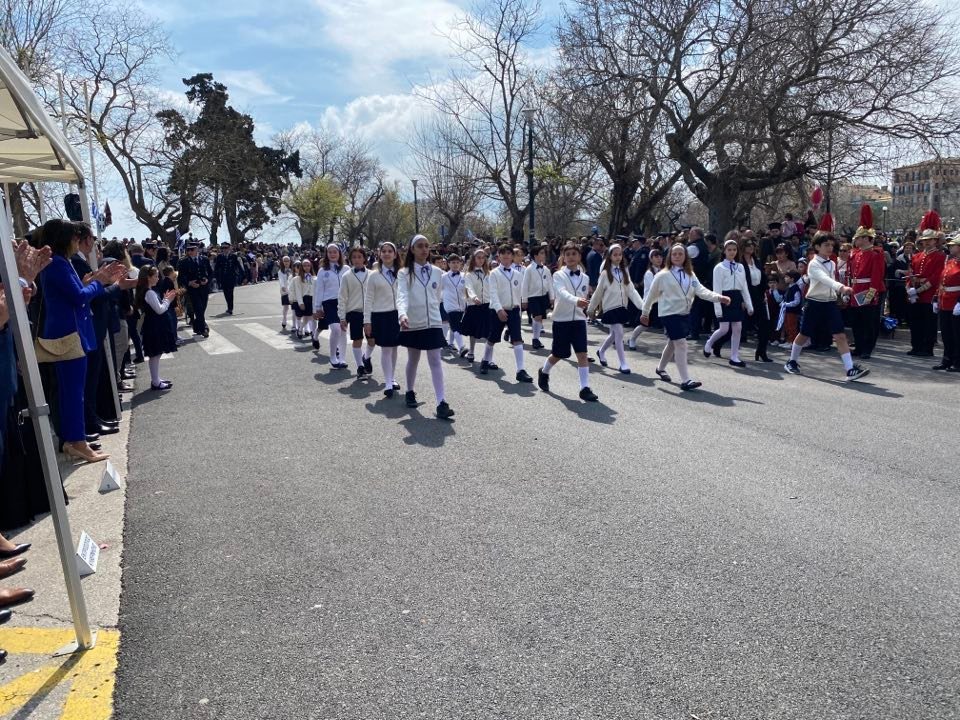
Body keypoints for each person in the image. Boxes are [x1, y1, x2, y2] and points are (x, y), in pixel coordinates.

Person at [40, 219, 126, 462]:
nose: (78, 243)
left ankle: (73, 440)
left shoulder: (60, 262)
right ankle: (77, 441)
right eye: (76, 238)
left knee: (71, 391)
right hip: (69, 334)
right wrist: (98, 284)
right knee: (73, 392)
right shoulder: (57, 264)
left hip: (70, 331)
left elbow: (75, 292)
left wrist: (92, 281)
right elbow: (78, 297)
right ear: (65, 240)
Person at [640, 243, 731, 391]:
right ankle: (685, 380)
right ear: (669, 256)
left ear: (685, 257)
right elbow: (650, 296)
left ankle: (660, 368)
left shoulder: (690, 274)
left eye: (680, 254)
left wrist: (719, 297)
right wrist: (645, 312)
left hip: (684, 313)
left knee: (672, 343)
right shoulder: (662, 275)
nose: (677, 256)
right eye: (674, 254)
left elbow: (701, 291)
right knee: (681, 344)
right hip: (669, 314)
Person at [784, 233, 870, 382]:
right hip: (814, 302)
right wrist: (842, 287)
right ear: (817, 247)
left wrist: (841, 295)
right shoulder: (813, 264)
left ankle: (850, 369)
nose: (830, 248)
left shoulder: (832, 263)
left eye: (831, 245)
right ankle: (791, 361)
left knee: (840, 335)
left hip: (830, 303)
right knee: (804, 334)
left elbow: (832, 282)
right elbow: (825, 280)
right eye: (826, 245)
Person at [396, 235, 455, 420]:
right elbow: (402, 295)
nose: (424, 249)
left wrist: (433, 313)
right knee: (413, 359)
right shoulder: (404, 273)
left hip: (434, 322)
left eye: (426, 246)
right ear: (412, 250)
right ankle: (410, 391)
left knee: (435, 360)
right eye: (420, 246)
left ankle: (441, 402)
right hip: (413, 321)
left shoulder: (437, 272)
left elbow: (437, 296)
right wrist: (403, 314)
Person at [537, 242, 597, 402]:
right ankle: (544, 372)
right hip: (561, 320)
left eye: (574, 254)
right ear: (563, 257)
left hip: (578, 320)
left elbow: (585, 297)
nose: (571, 257)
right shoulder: (558, 275)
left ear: (579, 256)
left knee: (582, 354)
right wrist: (577, 300)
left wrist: (588, 306)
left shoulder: (585, 277)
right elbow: (562, 293)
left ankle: (584, 388)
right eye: (567, 254)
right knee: (558, 354)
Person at [587, 243, 643, 373]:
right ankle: (623, 363)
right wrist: (591, 309)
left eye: (620, 254)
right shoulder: (605, 273)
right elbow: (598, 292)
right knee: (619, 333)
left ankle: (601, 351)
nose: (618, 257)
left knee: (613, 334)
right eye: (615, 255)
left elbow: (631, 291)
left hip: (622, 306)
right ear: (610, 256)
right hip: (610, 307)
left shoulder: (624, 271)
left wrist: (642, 306)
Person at [484, 245, 532, 382]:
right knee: (492, 338)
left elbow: (520, 292)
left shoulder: (518, 274)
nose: (506, 256)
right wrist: (499, 309)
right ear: (498, 256)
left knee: (517, 338)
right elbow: (492, 293)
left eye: (509, 253)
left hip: (514, 309)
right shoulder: (493, 273)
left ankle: (520, 370)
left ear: (512, 256)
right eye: (503, 253)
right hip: (498, 310)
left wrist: (522, 303)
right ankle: (485, 360)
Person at [703, 239, 754, 367]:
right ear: (724, 251)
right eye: (729, 250)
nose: (732, 252)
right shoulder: (719, 268)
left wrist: (749, 304)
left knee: (738, 328)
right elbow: (716, 289)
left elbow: (744, 287)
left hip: (736, 298)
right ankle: (709, 342)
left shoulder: (740, 266)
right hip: (724, 298)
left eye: (734, 250)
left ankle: (734, 356)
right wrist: (718, 308)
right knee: (724, 329)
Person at [364, 242, 402, 396]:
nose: (387, 254)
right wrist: (367, 321)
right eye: (383, 251)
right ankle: (387, 383)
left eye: (390, 251)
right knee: (386, 348)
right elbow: (368, 299)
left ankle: (391, 378)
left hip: (398, 315)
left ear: (395, 254)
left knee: (394, 348)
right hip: (381, 315)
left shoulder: (403, 273)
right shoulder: (373, 275)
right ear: (379, 254)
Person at [135, 265, 177, 391]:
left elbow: (158, 306)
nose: (158, 278)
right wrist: (168, 301)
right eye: (156, 276)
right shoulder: (149, 292)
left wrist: (164, 299)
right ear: (148, 277)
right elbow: (159, 310)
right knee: (155, 354)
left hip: (153, 324)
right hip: (154, 325)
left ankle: (156, 379)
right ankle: (155, 381)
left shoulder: (148, 291)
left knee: (155, 354)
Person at [848, 223, 886, 360]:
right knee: (857, 321)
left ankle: (867, 349)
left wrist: (871, 294)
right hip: (856, 290)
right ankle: (858, 347)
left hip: (868, 290)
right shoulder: (857, 254)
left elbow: (876, 276)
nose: (855, 241)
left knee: (869, 322)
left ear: (865, 238)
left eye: (858, 238)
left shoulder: (876, 254)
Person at [907, 227, 946, 357]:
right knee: (915, 321)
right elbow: (910, 273)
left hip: (929, 294)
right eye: (925, 240)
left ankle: (927, 348)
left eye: (930, 240)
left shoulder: (940, 257)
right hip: (915, 293)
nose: (927, 242)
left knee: (928, 323)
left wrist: (919, 289)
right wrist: (909, 288)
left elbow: (936, 277)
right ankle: (916, 346)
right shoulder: (917, 256)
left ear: (935, 241)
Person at [339, 247, 374, 378]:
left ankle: (367, 357)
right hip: (354, 311)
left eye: (360, 257)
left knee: (372, 340)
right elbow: (342, 297)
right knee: (357, 339)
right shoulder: (346, 276)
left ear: (364, 258)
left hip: (370, 311)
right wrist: (342, 317)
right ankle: (360, 366)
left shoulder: (372, 274)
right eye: (354, 257)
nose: (357, 259)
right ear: (350, 259)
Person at [314, 244, 347, 366]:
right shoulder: (323, 271)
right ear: (326, 254)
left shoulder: (346, 269)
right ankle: (333, 356)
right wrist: (317, 307)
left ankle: (342, 358)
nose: (332, 254)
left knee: (343, 330)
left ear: (339, 254)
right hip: (329, 302)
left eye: (335, 252)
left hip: (344, 302)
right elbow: (319, 290)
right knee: (336, 329)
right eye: (330, 252)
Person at [461, 249, 491, 362]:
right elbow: (469, 287)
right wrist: (474, 297)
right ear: (473, 259)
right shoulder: (469, 274)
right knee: (473, 331)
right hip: (474, 305)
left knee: (489, 332)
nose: (481, 260)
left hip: (487, 305)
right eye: (479, 257)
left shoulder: (488, 273)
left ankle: (488, 358)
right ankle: (471, 352)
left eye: (483, 257)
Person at [521, 244, 554, 350]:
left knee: (540, 319)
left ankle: (537, 338)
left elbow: (550, 284)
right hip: (532, 297)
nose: (544, 255)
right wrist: (524, 299)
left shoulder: (546, 269)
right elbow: (525, 285)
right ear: (535, 256)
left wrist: (552, 297)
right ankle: (535, 339)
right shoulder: (529, 269)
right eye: (541, 253)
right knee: (537, 316)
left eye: (544, 253)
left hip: (543, 296)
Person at [934, 237, 960, 372]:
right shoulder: (950, 262)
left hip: (956, 303)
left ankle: (958, 362)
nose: (950, 247)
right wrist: (935, 298)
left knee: (957, 334)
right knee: (946, 333)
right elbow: (941, 281)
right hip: (945, 301)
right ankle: (947, 359)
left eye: (953, 245)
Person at [177, 242, 211, 338]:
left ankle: (196, 326)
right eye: (188, 250)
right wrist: (189, 283)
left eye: (192, 249)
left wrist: (207, 279)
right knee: (198, 309)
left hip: (204, 288)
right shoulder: (183, 262)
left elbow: (210, 272)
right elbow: (181, 277)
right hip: (193, 289)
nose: (190, 252)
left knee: (202, 308)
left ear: (197, 249)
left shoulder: (204, 259)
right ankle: (204, 328)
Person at [441, 254, 467, 356]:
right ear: (448, 264)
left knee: (454, 326)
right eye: (453, 263)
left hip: (462, 305)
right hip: (450, 305)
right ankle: (461, 347)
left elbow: (467, 290)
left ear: (460, 263)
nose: (455, 265)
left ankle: (451, 343)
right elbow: (438, 290)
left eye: (457, 262)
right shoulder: (443, 277)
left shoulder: (464, 276)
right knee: (455, 325)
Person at [214, 242, 243, 315]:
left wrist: (243, 275)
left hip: (231, 278)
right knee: (226, 293)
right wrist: (215, 277)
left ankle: (230, 308)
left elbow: (238, 266)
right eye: (222, 248)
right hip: (223, 278)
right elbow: (216, 268)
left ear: (229, 248)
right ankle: (229, 307)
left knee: (230, 293)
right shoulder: (219, 257)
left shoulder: (233, 256)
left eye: (226, 248)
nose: (224, 249)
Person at [277, 256, 293, 331]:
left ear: (290, 261)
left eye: (288, 261)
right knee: (286, 307)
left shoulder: (292, 270)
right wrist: (283, 286)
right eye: (285, 261)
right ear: (282, 262)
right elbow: (281, 280)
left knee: (294, 308)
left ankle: (294, 324)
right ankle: (284, 319)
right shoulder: (281, 271)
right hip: (285, 291)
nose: (286, 262)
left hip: (293, 291)